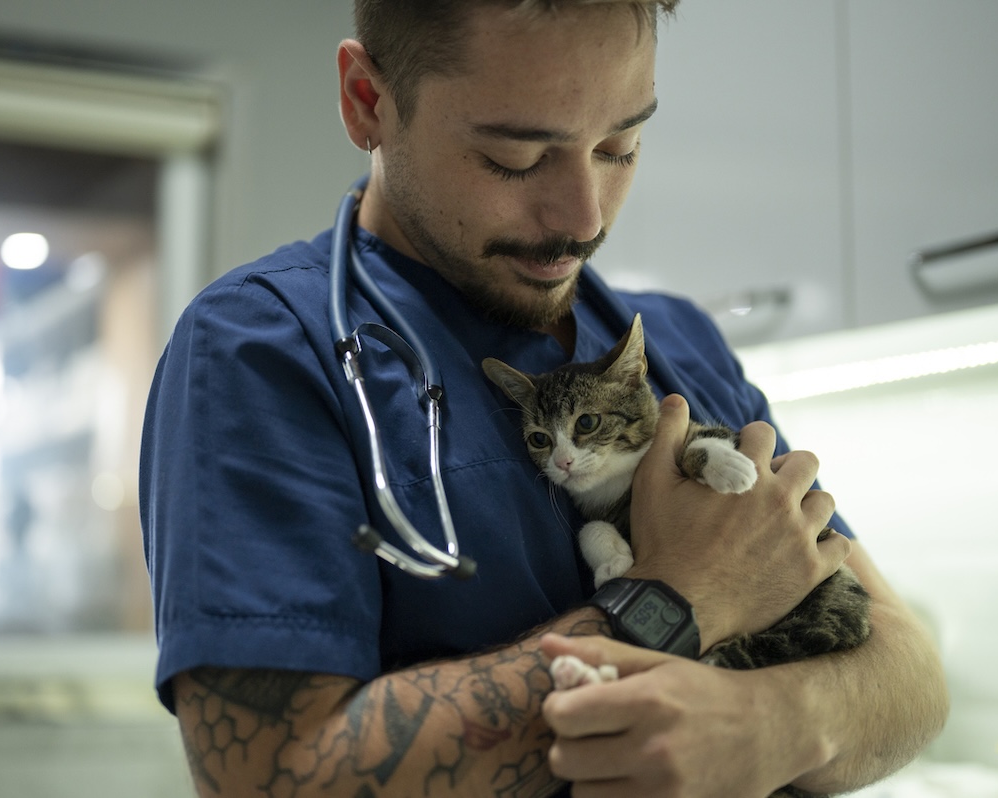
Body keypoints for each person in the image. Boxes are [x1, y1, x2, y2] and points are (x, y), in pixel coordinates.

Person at [139, 1, 949, 795]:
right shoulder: (262, 348)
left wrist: (768, 723)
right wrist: (679, 598)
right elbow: (272, 775)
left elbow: (908, 669)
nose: (583, 218)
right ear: (368, 103)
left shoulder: (672, 341)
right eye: (517, 159)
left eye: (621, 147)